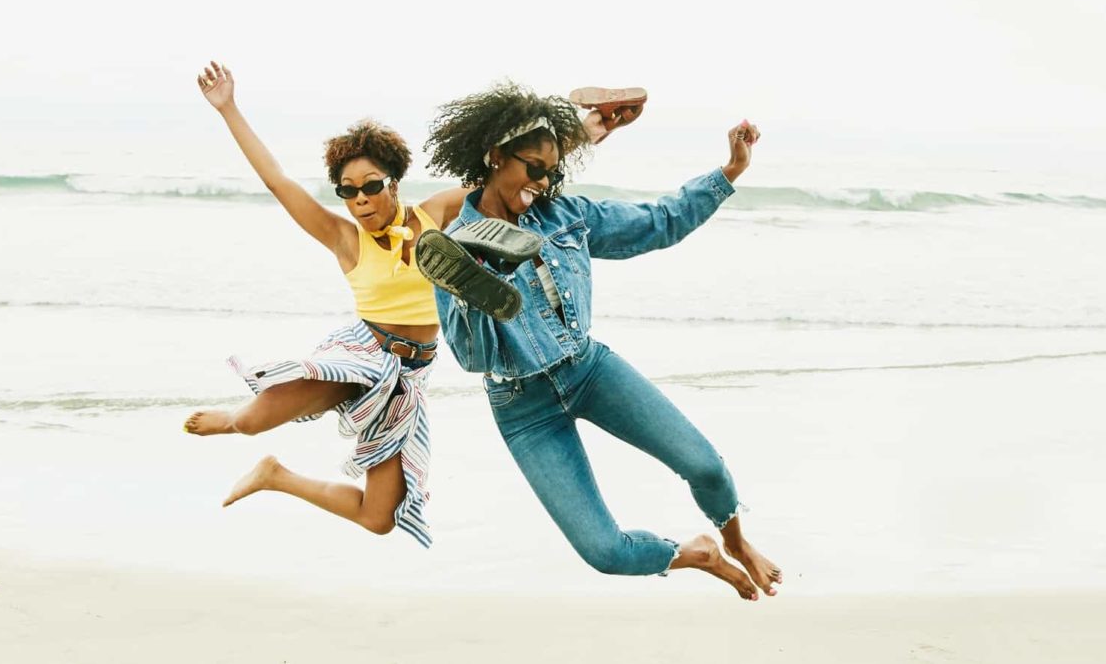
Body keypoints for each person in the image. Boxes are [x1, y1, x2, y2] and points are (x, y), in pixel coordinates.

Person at [184, 61, 640, 548]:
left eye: (371, 185)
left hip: (410, 376)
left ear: (393, 182)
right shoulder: (344, 239)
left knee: (378, 517)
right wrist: (228, 108)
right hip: (363, 356)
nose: (360, 199)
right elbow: (278, 181)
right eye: (348, 192)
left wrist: (585, 133)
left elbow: (509, 181)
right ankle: (231, 418)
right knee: (250, 422)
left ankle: (274, 475)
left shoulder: (435, 214)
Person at [416, 82, 781, 598]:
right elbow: (472, 359)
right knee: (605, 553)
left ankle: (737, 542)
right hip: (522, 407)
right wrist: (474, 299)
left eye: (551, 171)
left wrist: (730, 171)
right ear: (495, 156)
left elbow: (657, 223)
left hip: (588, 370)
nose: (542, 183)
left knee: (705, 467)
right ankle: (697, 554)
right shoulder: (450, 252)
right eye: (533, 169)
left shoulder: (566, 217)